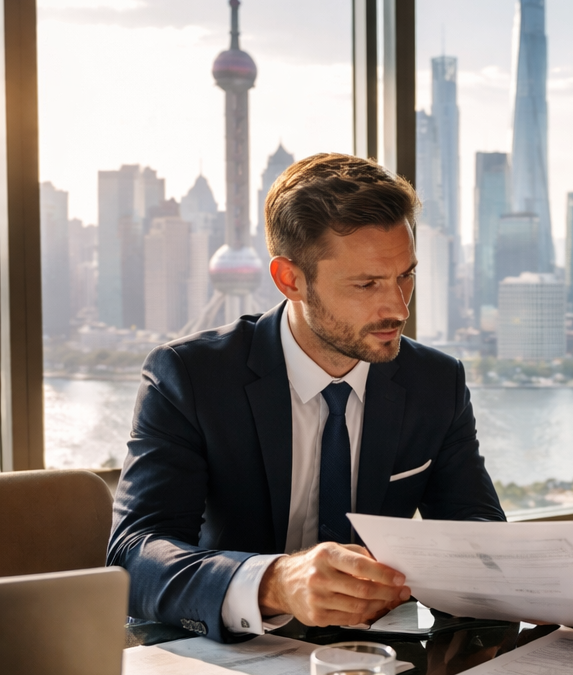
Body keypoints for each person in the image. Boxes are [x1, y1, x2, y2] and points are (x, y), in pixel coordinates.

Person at [109, 153, 504, 642]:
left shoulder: (436, 382)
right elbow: (135, 555)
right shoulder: (191, 376)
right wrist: (275, 582)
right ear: (289, 280)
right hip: (231, 660)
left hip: (381, 658)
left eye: (406, 275)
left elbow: (478, 534)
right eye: (367, 284)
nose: (398, 307)